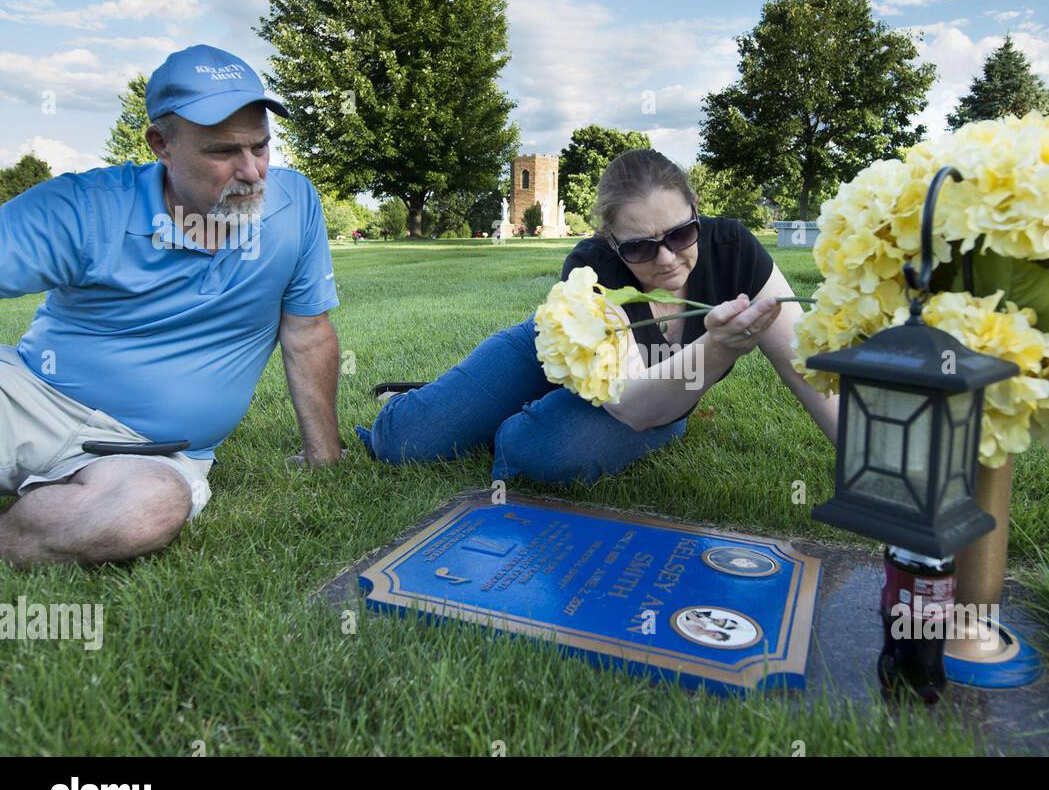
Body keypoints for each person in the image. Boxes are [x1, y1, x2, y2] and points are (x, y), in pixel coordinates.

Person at [0, 45, 341, 566]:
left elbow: (307, 333)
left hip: (153, 457)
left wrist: (324, 458)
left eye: (261, 146)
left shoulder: (296, 207)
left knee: (148, 511)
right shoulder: (83, 207)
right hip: (32, 402)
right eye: (223, 152)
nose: (252, 172)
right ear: (161, 143)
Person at [356, 148, 837, 484]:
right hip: (552, 353)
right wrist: (718, 348)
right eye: (640, 247)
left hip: (655, 394)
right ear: (611, 241)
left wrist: (867, 464)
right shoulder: (593, 267)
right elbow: (629, 404)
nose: (666, 258)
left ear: (696, 212)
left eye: (680, 235)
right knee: (406, 443)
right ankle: (448, 402)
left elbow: (807, 367)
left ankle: (498, 415)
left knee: (532, 453)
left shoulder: (735, 251)